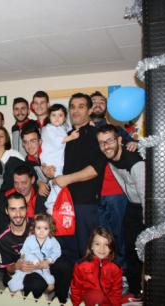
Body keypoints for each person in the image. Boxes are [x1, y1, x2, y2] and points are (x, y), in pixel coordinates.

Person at [52, 93, 106, 262]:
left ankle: (90, 287)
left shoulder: (96, 135)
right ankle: (72, 287)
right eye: (73, 106)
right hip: (64, 204)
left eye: (81, 106)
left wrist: (67, 179)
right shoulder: (65, 136)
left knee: (87, 252)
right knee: (66, 252)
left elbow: (95, 169)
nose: (75, 110)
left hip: (85, 204)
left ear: (90, 110)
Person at [90, 90, 138, 271]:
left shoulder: (116, 131)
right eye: (93, 101)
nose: (97, 104)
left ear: (107, 107)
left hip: (116, 194)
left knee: (119, 236)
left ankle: (122, 273)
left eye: (101, 101)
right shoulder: (84, 131)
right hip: (94, 196)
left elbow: (134, 146)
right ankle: (105, 272)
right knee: (101, 238)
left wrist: (136, 143)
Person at [97, 124, 145, 299]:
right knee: (130, 247)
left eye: (109, 141)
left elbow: (145, 194)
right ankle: (134, 290)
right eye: (102, 143)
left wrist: (148, 224)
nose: (106, 146)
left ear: (119, 140)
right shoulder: (111, 160)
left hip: (144, 206)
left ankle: (144, 289)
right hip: (132, 205)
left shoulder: (135, 162)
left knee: (143, 249)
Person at [0, 193, 72, 304]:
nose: (18, 214)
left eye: (21, 208)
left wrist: (48, 262)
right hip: (25, 271)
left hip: (45, 263)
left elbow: (53, 246)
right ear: (7, 211)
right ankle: (34, 298)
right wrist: (17, 266)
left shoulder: (38, 224)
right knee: (36, 284)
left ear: (27, 209)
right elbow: (6, 271)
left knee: (65, 266)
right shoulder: (2, 239)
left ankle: (61, 300)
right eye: (13, 209)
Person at [8, 214, 61, 295]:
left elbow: (57, 252)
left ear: (50, 229)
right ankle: (15, 294)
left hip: (42, 267)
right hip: (28, 264)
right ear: (34, 228)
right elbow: (24, 251)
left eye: (45, 228)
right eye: (38, 228)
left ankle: (42, 295)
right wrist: (32, 259)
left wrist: (49, 260)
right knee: (16, 282)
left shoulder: (52, 241)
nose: (41, 231)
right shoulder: (30, 239)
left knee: (50, 285)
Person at [40, 104, 78, 213]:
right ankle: (51, 208)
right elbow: (57, 140)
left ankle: (54, 205)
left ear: (65, 118)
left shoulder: (62, 128)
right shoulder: (47, 128)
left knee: (58, 185)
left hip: (59, 161)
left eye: (60, 115)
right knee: (58, 185)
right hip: (52, 162)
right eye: (54, 115)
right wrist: (71, 137)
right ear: (49, 116)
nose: (57, 118)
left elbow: (70, 130)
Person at [70, 228, 122, 306]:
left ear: (111, 248)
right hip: (88, 301)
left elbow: (116, 292)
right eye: (97, 244)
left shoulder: (115, 268)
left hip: (106, 302)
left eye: (106, 245)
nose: (102, 248)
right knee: (96, 295)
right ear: (91, 246)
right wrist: (76, 304)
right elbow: (76, 290)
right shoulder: (81, 266)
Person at [0, 165, 46, 238]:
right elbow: (2, 227)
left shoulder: (42, 195)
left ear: (32, 180)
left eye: (24, 183)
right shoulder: (6, 198)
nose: (20, 187)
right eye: (16, 183)